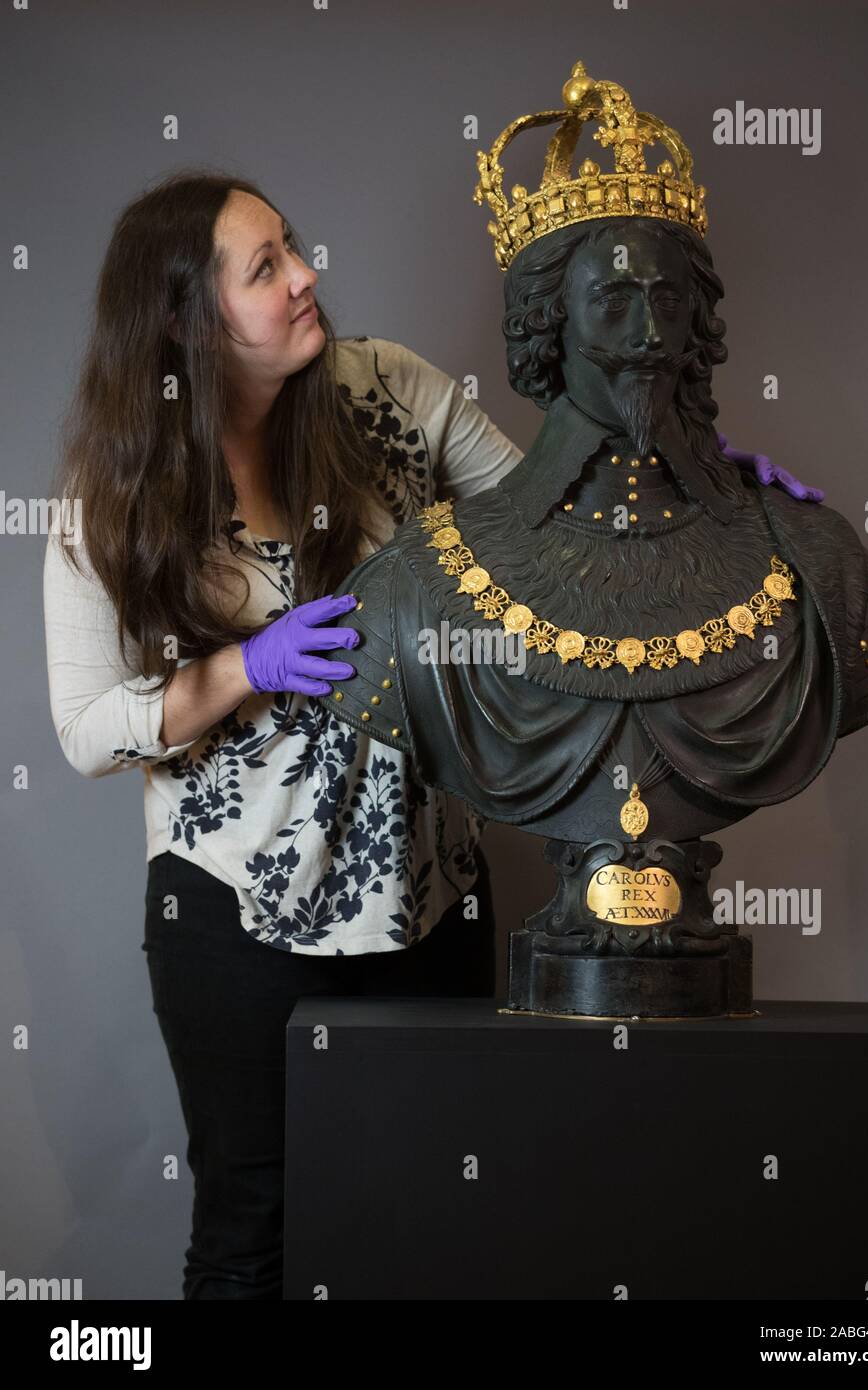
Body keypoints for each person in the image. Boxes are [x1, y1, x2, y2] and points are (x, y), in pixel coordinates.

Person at [42, 167, 804, 1300]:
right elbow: (87, 730)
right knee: (253, 1231)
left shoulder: (387, 389)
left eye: (292, 244)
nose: (307, 276)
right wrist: (245, 666)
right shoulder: (105, 502)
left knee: (438, 1223)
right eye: (266, 269)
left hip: (431, 895)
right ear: (185, 324)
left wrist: (701, 481)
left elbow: (552, 525)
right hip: (234, 924)